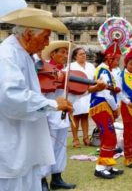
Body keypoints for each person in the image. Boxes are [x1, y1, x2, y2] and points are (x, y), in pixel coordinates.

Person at [0, 8, 73, 191]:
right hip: (13, 139)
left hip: (25, 141)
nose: (47, 43)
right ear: (29, 34)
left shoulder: (24, 55)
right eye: (45, 37)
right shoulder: (7, 55)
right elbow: (11, 96)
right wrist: (52, 104)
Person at [40, 41, 78, 190]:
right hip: (49, 115)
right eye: (61, 52)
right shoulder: (43, 70)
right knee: (46, 148)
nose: (64, 55)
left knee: (61, 147)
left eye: (65, 52)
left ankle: (57, 178)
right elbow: (41, 93)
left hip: (63, 116)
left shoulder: (67, 73)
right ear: (52, 54)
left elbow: (74, 92)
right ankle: (42, 180)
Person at [90, 40, 124, 179]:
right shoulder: (103, 71)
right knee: (109, 135)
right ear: (109, 58)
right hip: (101, 107)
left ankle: (108, 166)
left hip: (103, 108)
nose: (118, 62)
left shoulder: (105, 70)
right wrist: (116, 109)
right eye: (116, 59)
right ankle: (100, 168)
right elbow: (107, 93)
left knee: (109, 136)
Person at [70, 47, 97, 147]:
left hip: (88, 93)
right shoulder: (71, 66)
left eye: (84, 53)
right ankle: (75, 139)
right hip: (76, 93)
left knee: (85, 116)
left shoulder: (90, 66)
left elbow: (94, 78)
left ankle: (86, 138)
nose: (83, 55)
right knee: (76, 116)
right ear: (75, 56)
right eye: (81, 54)